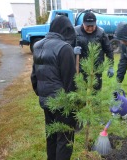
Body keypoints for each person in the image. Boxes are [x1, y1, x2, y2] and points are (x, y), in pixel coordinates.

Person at [31, 16, 77, 160]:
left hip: (46, 101)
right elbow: (71, 81)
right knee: (64, 140)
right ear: (66, 30)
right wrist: (74, 105)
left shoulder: (37, 45)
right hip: (63, 104)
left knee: (51, 136)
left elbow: (34, 76)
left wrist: (41, 94)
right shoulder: (64, 48)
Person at [74, 11, 114, 91]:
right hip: (81, 69)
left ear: (95, 23)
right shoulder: (75, 31)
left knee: (96, 92)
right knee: (81, 92)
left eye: (92, 26)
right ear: (83, 23)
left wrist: (111, 66)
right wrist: (72, 50)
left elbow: (109, 50)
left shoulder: (101, 33)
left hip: (96, 70)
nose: (90, 28)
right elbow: (67, 46)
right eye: (87, 26)